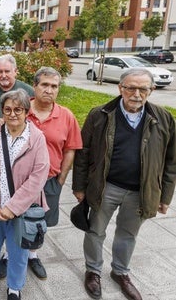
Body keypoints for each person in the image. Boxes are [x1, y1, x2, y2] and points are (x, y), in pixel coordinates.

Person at [73, 68, 176, 300]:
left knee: (127, 234)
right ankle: (93, 271)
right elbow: (83, 153)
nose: (136, 94)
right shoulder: (99, 114)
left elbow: (171, 162)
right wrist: (79, 187)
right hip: (105, 187)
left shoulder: (164, 118)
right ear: (120, 88)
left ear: (152, 90)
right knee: (95, 231)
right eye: (130, 87)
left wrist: (164, 196)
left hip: (140, 191)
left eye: (143, 89)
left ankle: (120, 272)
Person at [0, 67, 83, 280]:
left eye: (54, 86)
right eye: (44, 84)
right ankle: (8, 255)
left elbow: (70, 148)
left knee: (40, 221)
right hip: (19, 180)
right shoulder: (22, 110)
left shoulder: (66, 116)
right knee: (13, 216)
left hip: (49, 181)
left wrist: (61, 179)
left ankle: (33, 255)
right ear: (34, 86)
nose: (49, 90)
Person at [0, 89, 50, 300]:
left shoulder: (36, 139)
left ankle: (15, 286)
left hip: (22, 210)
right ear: (2, 111)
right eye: (7, 109)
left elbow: (38, 176)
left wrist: (13, 207)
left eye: (18, 109)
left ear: (26, 111)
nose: (13, 113)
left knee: (18, 250)